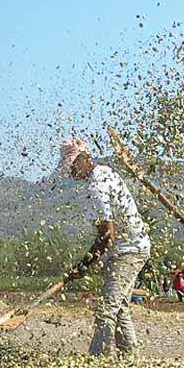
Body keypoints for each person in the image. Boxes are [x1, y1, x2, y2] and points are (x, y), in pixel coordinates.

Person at [58, 137, 151, 356]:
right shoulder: (106, 172)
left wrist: (82, 266)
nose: (70, 172)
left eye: (72, 165)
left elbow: (107, 235)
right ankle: (130, 360)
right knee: (120, 310)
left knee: (106, 309)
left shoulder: (96, 186)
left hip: (128, 251)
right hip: (130, 247)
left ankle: (96, 360)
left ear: (84, 158)